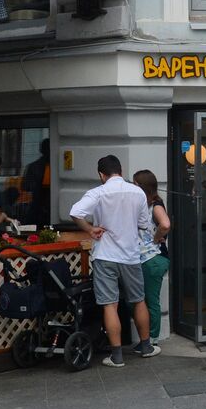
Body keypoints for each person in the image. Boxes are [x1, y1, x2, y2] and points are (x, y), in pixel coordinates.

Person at [70, 155, 160, 368]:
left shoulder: (98, 192)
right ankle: (146, 346)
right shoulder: (137, 192)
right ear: (120, 171)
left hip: (105, 256)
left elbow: (75, 212)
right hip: (130, 256)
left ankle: (117, 356)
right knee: (138, 300)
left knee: (110, 305)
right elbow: (144, 224)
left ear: (101, 174)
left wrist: (90, 229)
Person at [132, 169, 171, 342]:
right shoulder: (145, 204)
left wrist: (156, 238)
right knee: (145, 299)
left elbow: (165, 224)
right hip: (148, 259)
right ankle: (148, 339)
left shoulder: (155, 205)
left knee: (150, 300)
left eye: (135, 184)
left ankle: (152, 339)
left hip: (152, 259)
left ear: (141, 186)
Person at [19, 138, 53, 228]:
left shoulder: (33, 166)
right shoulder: (34, 167)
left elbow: (25, 186)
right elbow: (25, 186)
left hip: (39, 207)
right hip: (39, 207)